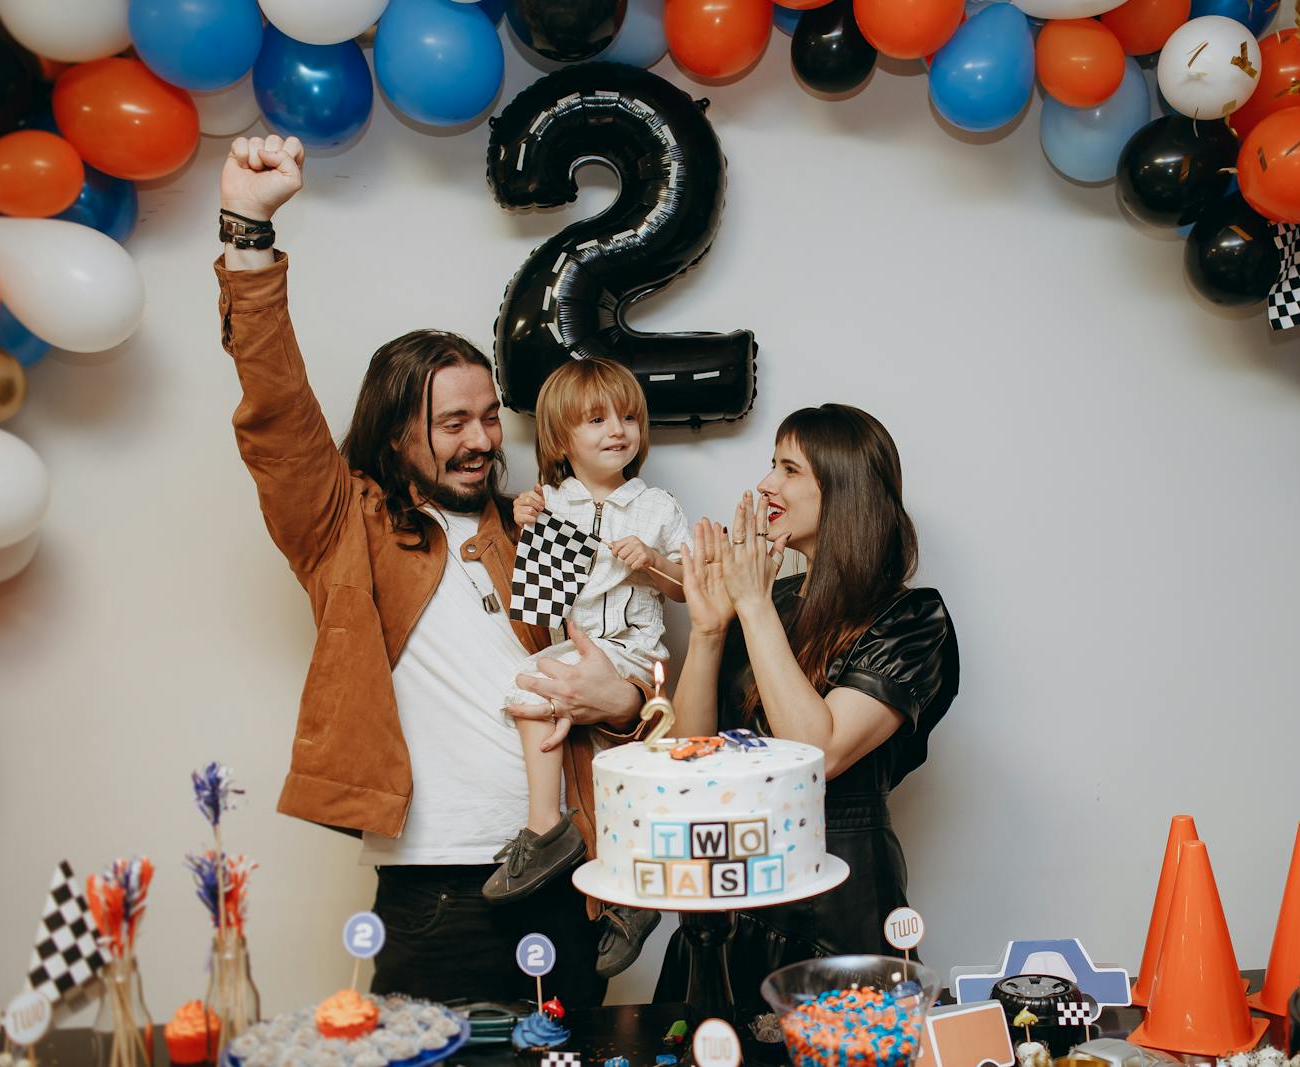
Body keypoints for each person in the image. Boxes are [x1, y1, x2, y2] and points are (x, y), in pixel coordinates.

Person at [215, 133, 651, 1004]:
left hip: (566, 873)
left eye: (491, 417)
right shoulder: (347, 527)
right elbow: (276, 409)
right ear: (394, 435)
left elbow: (604, 674)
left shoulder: (536, 528)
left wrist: (626, 700)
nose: (484, 440)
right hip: (436, 892)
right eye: (453, 422)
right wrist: (249, 234)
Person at [653, 404, 960, 1011]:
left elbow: (818, 751)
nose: (766, 484)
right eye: (772, 464)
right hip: (734, 884)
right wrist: (712, 629)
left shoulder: (911, 618)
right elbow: (687, 754)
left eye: (789, 469)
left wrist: (753, 605)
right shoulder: (771, 599)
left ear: (843, 491)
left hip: (837, 897)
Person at [485, 357, 688, 979]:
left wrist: (652, 561)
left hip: (631, 653)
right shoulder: (554, 502)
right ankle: (557, 837)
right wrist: (525, 521)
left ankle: (563, 843)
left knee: (628, 777)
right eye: (596, 419)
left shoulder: (655, 506)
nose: (617, 430)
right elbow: (539, 583)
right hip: (573, 647)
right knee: (528, 700)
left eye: (628, 416)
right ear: (559, 440)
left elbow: (687, 588)